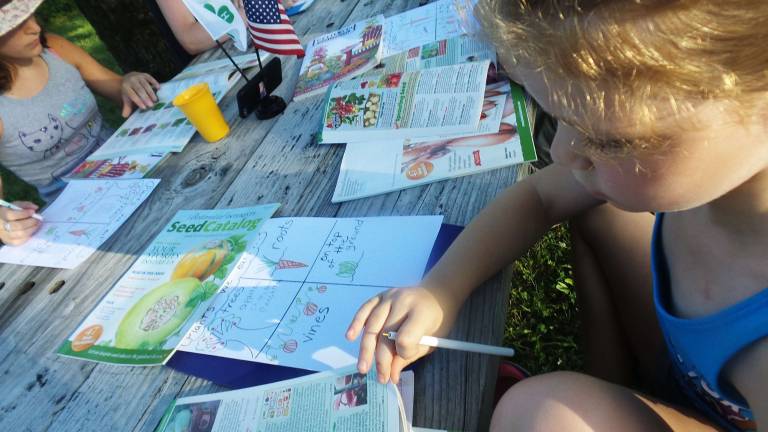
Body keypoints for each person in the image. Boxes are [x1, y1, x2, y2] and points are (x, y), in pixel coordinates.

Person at [346, 1, 768, 431]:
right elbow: (541, 197)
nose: (562, 150)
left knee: (543, 412)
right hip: (688, 370)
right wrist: (442, 290)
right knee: (601, 207)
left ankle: (592, 403)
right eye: (561, 119)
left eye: (610, 141)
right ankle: (609, 388)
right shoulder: (726, 165)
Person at [0, 0, 159, 245]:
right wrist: (6, 221)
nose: (34, 27)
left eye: (30, 15)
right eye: (15, 24)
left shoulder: (54, 47)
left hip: (135, 163)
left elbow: (117, 87)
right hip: (82, 213)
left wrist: (129, 82)